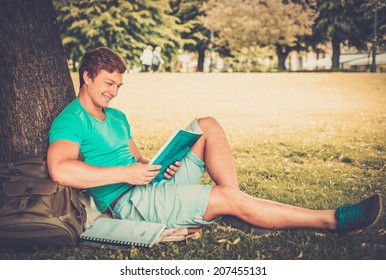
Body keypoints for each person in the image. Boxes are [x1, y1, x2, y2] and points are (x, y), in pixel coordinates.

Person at [47, 47, 383, 234]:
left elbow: (135, 160)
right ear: (87, 77)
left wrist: (156, 165)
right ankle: (333, 220)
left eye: (118, 86)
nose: (113, 91)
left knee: (206, 125)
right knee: (222, 196)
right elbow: (61, 171)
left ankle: (235, 203)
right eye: (108, 83)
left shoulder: (117, 116)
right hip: (130, 202)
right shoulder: (71, 121)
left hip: (146, 185)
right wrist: (127, 175)